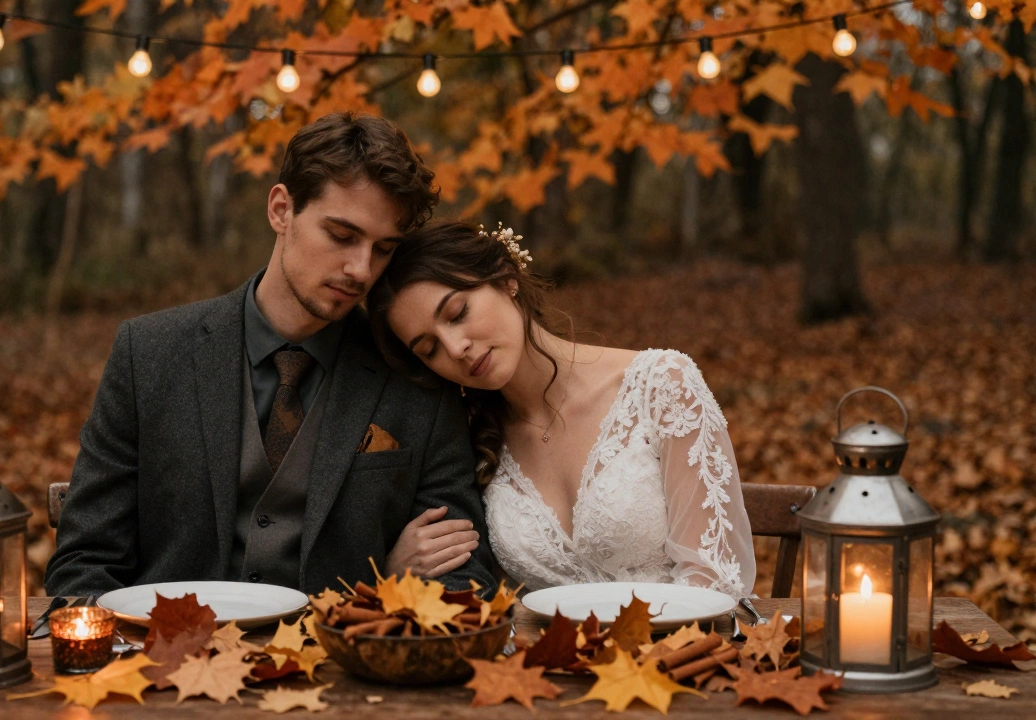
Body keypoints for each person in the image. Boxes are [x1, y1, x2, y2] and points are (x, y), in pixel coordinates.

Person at [46, 114, 494, 598]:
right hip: (166, 660)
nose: (361, 270)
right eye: (342, 236)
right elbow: (84, 563)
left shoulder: (413, 373)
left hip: (345, 662)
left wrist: (373, 612)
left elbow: (466, 577)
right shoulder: (149, 353)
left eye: (383, 248)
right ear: (281, 210)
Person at [366, 220, 755, 597]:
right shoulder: (468, 439)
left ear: (506, 279)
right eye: (429, 349)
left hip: (682, 653)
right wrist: (393, 569)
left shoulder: (662, 385)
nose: (455, 348)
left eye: (457, 313)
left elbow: (713, 582)